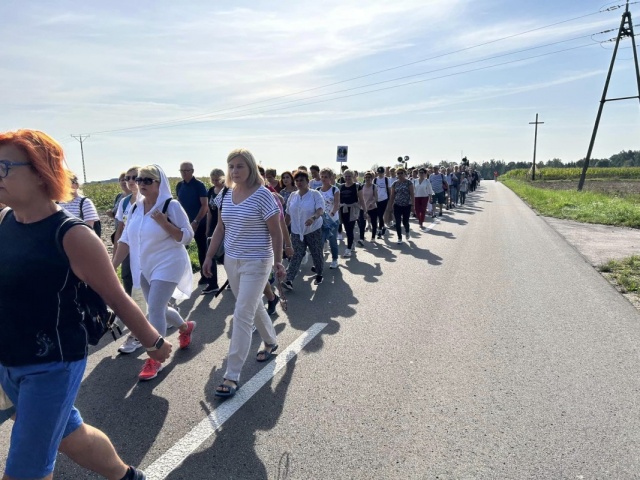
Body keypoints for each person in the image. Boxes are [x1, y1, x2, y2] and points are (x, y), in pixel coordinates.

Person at [0, 129, 171, 480]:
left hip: (50, 364)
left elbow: (115, 296)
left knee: (26, 470)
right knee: (69, 434)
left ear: (40, 172)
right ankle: (128, 477)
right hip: (6, 359)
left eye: (3, 167)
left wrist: (153, 341)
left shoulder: (72, 234)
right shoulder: (3, 221)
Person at [203, 148, 284, 398]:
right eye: (231, 166)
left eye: (240, 166)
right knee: (251, 305)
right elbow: (220, 227)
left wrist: (278, 262)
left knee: (242, 314)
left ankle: (232, 375)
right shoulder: (225, 193)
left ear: (251, 167)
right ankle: (270, 341)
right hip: (232, 261)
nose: (235, 171)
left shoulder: (263, 195)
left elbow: (276, 232)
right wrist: (208, 256)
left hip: (257, 262)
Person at [113, 165, 196, 381]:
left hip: (169, 263)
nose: (141, 184)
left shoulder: (171, 205)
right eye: (139, 180)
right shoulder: (135, 208)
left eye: (147, 180)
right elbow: (125, 240)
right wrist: (112, 266)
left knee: (155, 309)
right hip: (145, 266)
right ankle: (185, 327)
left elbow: (187, 236)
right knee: (158, 307)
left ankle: (155, 359)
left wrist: (164, 223)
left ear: (159, 183)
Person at [113, 166, 141, 353]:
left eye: (134, 177)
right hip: (127, 250)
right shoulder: (124, 202)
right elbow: (121, 229)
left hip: (145, 253)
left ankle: (137, 333)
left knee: (146, 292)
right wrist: (116, 252)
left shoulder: (149, 201)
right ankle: (132, 315)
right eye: (127, 178)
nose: (130, 181)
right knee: (127, 279)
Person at [282, 170, 325, 289]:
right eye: (297, 180)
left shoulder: (315, 194)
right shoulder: (293, 196)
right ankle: (289, 280)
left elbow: (320, 210)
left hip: (313, 230)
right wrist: (283, 228)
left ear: (307, 181)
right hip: (297, 231)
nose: (299, 183)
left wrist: (313, 217)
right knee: (296, 254)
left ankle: (319, 273)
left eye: (302, 180)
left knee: (316, 253)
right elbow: (288, 214)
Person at [176, 162, 208, 284]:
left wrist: (196, 221)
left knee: (202, 250)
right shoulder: (179, 185)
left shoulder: (199, 185)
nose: (184, 173)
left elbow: (204, 205)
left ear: (192, 171)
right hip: (184, 224)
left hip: (199, 223)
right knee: (180, 249)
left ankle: (206, 276)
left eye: (186, 170)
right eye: (182, 171)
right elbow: (179, 204)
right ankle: (180, 276)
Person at [202, 168, 226, 295]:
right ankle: (212, 284)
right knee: (210, 254)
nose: (215, 182)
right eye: (213, 179)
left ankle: (233, 278)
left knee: (224, 255)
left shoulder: (227, 191)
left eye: (217, 179)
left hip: (224, 226)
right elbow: (210, 211)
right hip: (213, 227)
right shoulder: (211, 191)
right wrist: (207, 228)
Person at [318, 167, 340, 269]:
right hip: (320, 220)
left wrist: (331, 214)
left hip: (332, 220)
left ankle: (335, 259)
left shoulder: (335, 189)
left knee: (332, 241)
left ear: (330, 178)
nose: (323, 179)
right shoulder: (317, 190)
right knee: (320, 241)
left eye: (326, 177)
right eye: (322, 176)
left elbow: (336, 204)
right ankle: (318, 261)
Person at [338, 170, 364, 257]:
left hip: (353, 210)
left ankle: (348, 249)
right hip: (343, 210)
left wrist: (365, 211)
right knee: (347, 229)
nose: (347, 178)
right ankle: (352, 243)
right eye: (346, 176)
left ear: (353, 176)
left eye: (349, 176)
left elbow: (362, 200)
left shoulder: (357, 186)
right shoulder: (341, 187)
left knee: (349, 229)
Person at [388, 167, 415, 244]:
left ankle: (407, 231)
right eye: (398, 173)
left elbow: (412, 194)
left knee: (405, 222)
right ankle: (399, 238)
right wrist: (390, 205)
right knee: (397, 222)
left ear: (404, 174)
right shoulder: (395, 183)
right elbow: (392, 195)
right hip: (397, 205)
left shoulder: (409, 183)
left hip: (407, 205)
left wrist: (413, 205)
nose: (399, 175)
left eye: (401, 173)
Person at [109, 172, 130, 244]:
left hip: (129, 231)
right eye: (122, 180)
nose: (124, 182)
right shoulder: (119, 196)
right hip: (119, 229)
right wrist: (111, 213)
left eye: (126, 179)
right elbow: (117, 215)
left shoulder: (136, 197)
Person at [360, 171, 379, 242]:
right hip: (363, 208)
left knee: (374, 223)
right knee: (362, 224)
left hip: (372, 208)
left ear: (372, 178)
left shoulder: (374, 186)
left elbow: (376, 197)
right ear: (364, 178)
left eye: (369, 177)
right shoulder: (362, 186)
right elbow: (359, 197)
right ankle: (361, 238)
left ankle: (373, 237)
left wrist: (372, 203)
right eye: (366, 177)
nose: (367, 179)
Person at [373, 166, 391, 239]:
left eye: (381, 173)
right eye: (379, 173)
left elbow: (389, 189)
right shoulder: (375, 180)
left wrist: (390, 199)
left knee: (380, 214)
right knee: (379, 215)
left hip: (384, 199)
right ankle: (383, 227)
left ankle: (380, 230)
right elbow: (373, 189)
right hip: (377, 199)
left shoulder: (386, 179)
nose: (380, 174)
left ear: (384, 173)